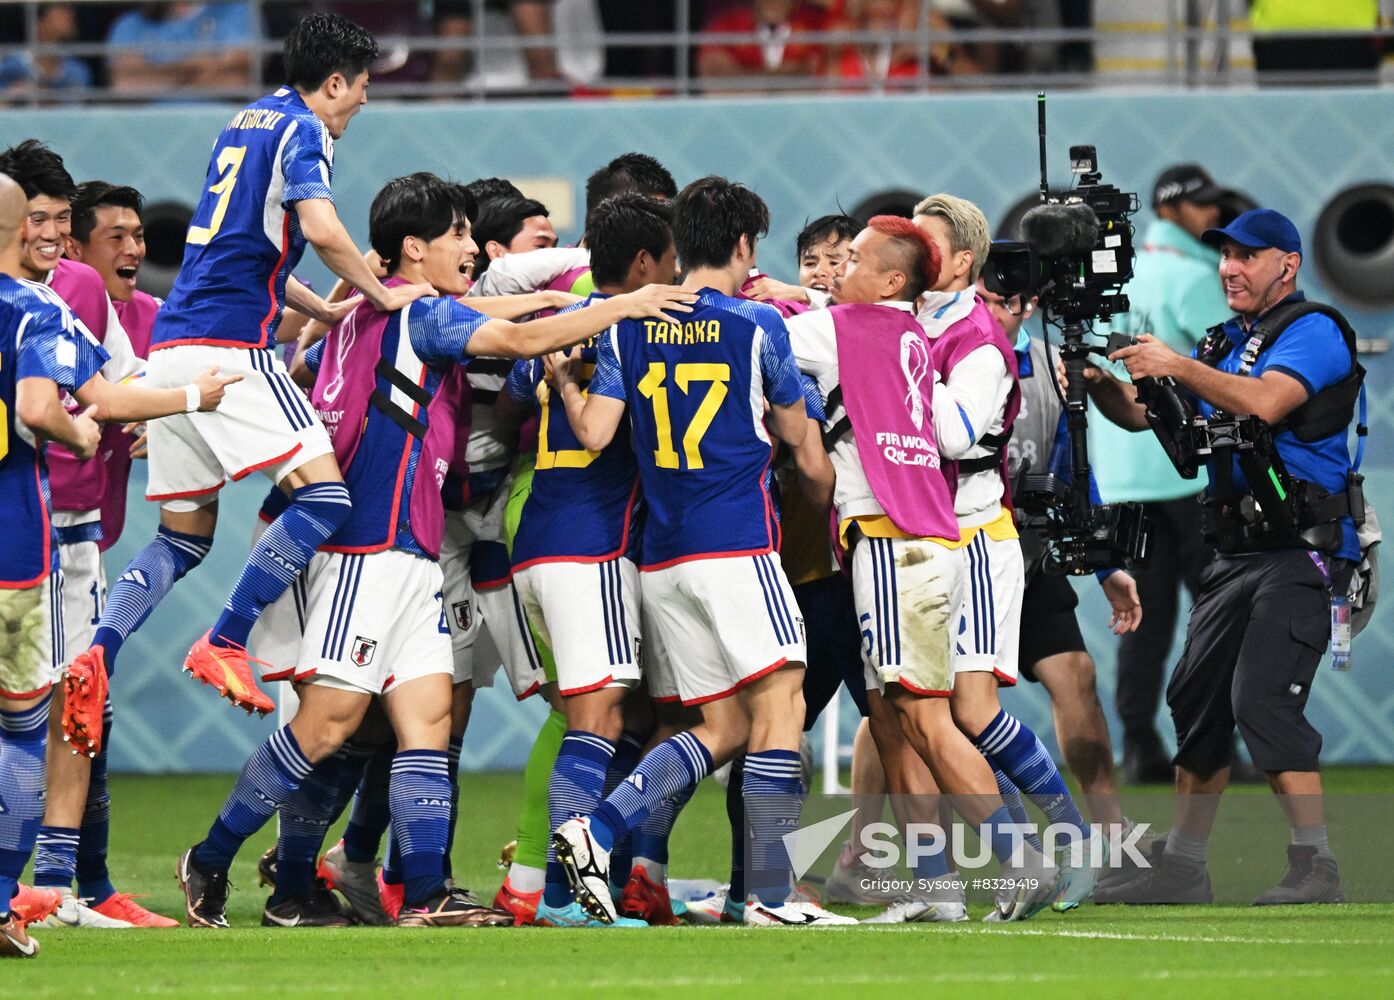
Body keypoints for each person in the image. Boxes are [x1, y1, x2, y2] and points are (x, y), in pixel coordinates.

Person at [174, 171, 695, 929]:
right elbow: (511, 337)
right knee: (326, 727)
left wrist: (568, 304)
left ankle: (423, 895)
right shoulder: (420, 316)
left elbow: (493, 312)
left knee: (426, 725)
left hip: (413, 550)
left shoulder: (369, 310)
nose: (468, 246)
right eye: (456, 234)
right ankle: (213, 857)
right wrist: (623, 305)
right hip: (369, 549)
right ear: (413, 249)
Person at [62, 13, 436, 737]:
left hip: (172, 344)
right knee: (327, 499)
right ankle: (226, 639)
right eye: (360, 87)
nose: (363, 101)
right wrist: (384, 294)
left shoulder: (242, 122)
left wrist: (324, 312)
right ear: (333, 82)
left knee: (182, 538)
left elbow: (241, 250)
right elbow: (323, 229)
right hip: (230, 354)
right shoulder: (306, 131)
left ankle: (97, 652)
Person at [551, 175, 854, 927]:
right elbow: (802, 449)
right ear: (746, 246)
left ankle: (595, 829)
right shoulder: (758, 325)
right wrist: (823, 497)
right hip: (738, 544)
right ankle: (772, 898)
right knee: (781, 704)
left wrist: (561, 381)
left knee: (720, 727)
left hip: (662, 559)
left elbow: (595, 432)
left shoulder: (629, 325)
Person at [786, 216, 1057, 924]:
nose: (838, 270)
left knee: (929, 718)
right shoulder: (901, 331)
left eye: (854, 261)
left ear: (892, 282)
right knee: (896, 717)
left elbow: (753, 336)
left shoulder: (850, 329)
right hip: (910, 537)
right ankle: (935, 887)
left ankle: (1021, 856)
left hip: (893, 539)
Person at [1084, 208, 1360, 905]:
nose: (1229, 268)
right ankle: (1183, 864)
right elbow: (1151, 418)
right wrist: (1100, 385)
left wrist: (1174, 362)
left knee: (1262, 699)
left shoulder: (1313, 330)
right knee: (1197, 701)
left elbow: (1266, 404)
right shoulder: (1222, 340)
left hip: (1305, 550)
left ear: (1287, 265)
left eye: (1246, 256)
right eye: (1225, 256)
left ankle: (1315, 865)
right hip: (1235, 550)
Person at [0, 170, 235, 958]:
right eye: (39, 219)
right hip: (30, 539)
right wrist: (96, 428)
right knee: (32, 721)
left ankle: (61, 882)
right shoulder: (41, 303)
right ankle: (30, 891)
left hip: (61, 534)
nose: (52, 236)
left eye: (61, 221)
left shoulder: (68, 295)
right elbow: (76, 400)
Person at [908, 193, 1097, 914]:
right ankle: (1015, 867)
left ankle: (1072, 849)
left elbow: (954, 438)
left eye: (924, 245)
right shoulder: (915, 324)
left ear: (962, 262)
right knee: (918, 714)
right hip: (920, 538)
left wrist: (883, 375)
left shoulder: (978, 339)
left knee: (974, 710)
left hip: (976, 535)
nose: (908, 256)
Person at [506, 193, 677, 928]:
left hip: (537, 539)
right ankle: (557, 895)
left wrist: (553, 370)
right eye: (666, 258)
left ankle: (562, 887)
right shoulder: (626, 328)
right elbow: (607, 433)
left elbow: (516, 384)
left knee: (592, 713)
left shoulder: (557, 324)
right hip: (594, 543)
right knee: (598, 718)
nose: (674, 271)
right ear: (642, 264)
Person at [1091, 164, 1232, 783]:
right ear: (1172, 211)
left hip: (1122, 476)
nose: (1212, 215)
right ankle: (1215, 748)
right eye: (1202, 206)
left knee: (1139, 625)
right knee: (1224, 619)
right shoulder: (1196, 276)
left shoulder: (1117, 276)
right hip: (1187, 475)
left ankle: (1140, 747)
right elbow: (1227, 370)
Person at [983, 281, 1133, 843]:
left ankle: (1113, 837)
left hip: (1027, 553)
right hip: (960, 557)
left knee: (1077, 675)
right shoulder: (939, 350)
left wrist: (1106, 565)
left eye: (1002, 296)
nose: (992, 306)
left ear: (1027, 302)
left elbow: (1073, 471)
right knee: (910, 710)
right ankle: (864, 854)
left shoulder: (1053, 365)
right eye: (983, 294)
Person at [107, 1, 261, 97]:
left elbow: (237, 83)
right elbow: (125, 86)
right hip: (147, 129)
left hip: (221, 126)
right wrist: (197, 67)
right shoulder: (130, 23)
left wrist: (153, 75)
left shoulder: (237, 10)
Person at [697, 1, 829, 88]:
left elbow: (818, 72)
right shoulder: (727, 25)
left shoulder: (815, 23)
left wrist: (744, 74)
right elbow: (714, 73)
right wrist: (787, 75)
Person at [0, 3, 92, 102]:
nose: (71, 14)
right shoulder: (10, 66)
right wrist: (13, 95)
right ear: (38, 20)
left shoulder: (78, 71)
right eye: (62, 7)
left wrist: (49, 101)